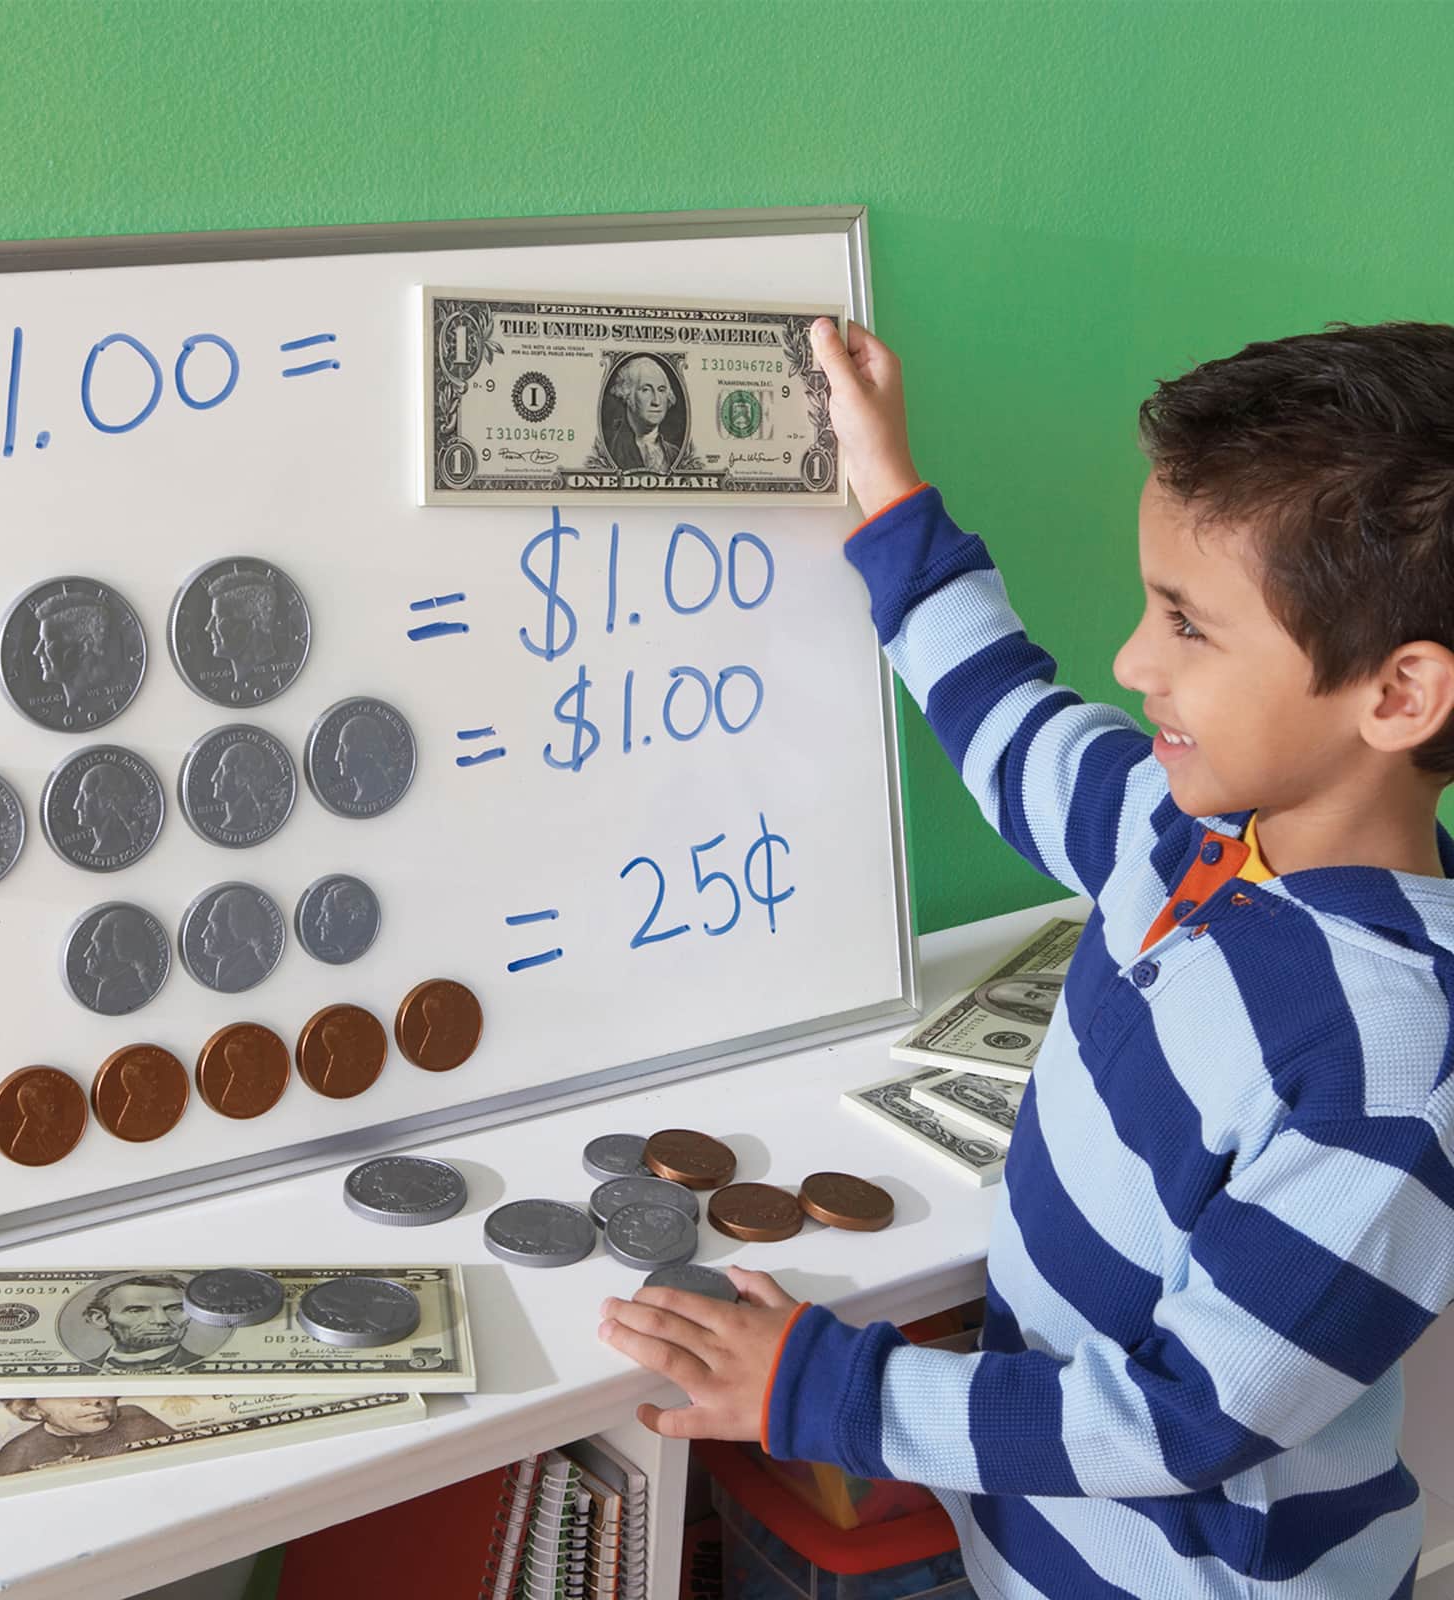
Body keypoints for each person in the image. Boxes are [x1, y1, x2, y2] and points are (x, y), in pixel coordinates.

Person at [599, 316, 1454, 1599]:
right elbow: (1009, 720)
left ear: (1396, 696)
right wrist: (889, 491)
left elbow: (1186, 1418)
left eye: (1188, 626)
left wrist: (821, 1389)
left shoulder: (1388, 1074)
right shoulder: (1181, 832)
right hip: (1041, 1543)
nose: (1132, 659)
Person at [0, 1396, 168, 1477]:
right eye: (68, 1395)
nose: (94, 1401)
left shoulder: (134, 1417)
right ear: (32, 1411)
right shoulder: (20, 1450)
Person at [79, 1275, 203, 1375]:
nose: (161, 1320)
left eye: (174, 1309)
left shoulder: (201, 1366)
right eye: (137, 1311)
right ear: (99, 1319)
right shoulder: (86, 1369)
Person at [602, 354, 683, 472]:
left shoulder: (675, 454)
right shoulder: (609, 449)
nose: (656, 401)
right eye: (646, 390)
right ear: (627, 394)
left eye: (661, 390)